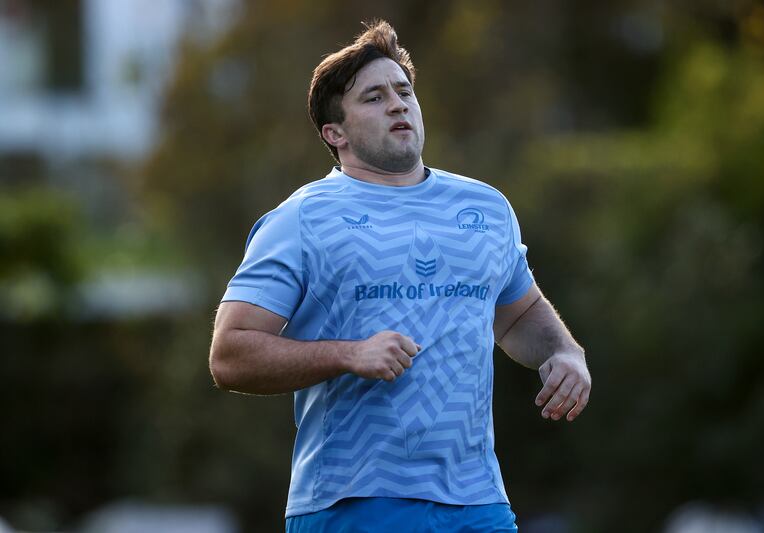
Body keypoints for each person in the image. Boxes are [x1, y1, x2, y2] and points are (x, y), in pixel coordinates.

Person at [209, 20, 591, 533]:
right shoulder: (302, 218)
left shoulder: (486, 207)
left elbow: (519, 314)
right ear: (335, 133)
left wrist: (565, 352)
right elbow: (230, 355)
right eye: (374, 97)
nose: (397, 104)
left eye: (404, 91)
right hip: (353, 501)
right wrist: (348, 354)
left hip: (478, 501)